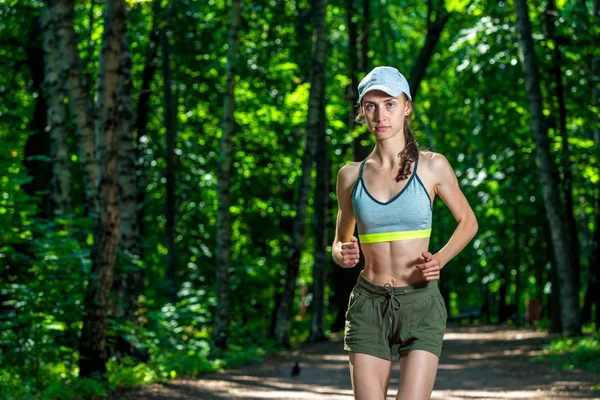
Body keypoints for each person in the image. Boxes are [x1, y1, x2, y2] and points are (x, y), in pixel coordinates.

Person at [332, 66, 478, 400]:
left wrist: (439, 259)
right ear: (361, 112)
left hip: (421, 303)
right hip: (369, 304)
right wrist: (342, 253)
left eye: (389, 104)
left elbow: (468, 221)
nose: (380, 115)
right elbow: (340, 242)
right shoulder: (349, 176)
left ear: (407, 106)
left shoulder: (432, 166)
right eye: (370, 105)